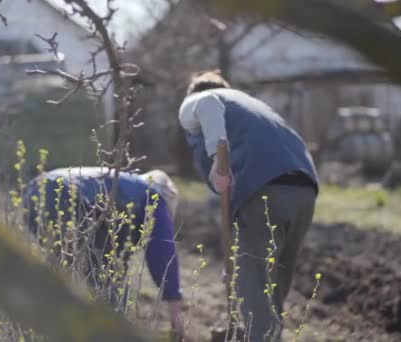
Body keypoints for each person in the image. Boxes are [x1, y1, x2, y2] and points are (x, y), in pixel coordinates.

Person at [178, 70, 319, 341]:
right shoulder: (251, 106)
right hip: (304, 188)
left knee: (253, 287)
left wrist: (217, 160)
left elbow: (207, 106)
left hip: (264, 186)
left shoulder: (198, 101)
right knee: (271, 287)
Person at [22, 167, 184, 337]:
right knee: (106, 286)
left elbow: (113, 246)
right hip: (71, 198)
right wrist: (174, 301)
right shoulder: (152, 194)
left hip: (34, 192)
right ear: (169, 193)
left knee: (67, 274)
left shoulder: (124, 185)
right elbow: (162, 250)